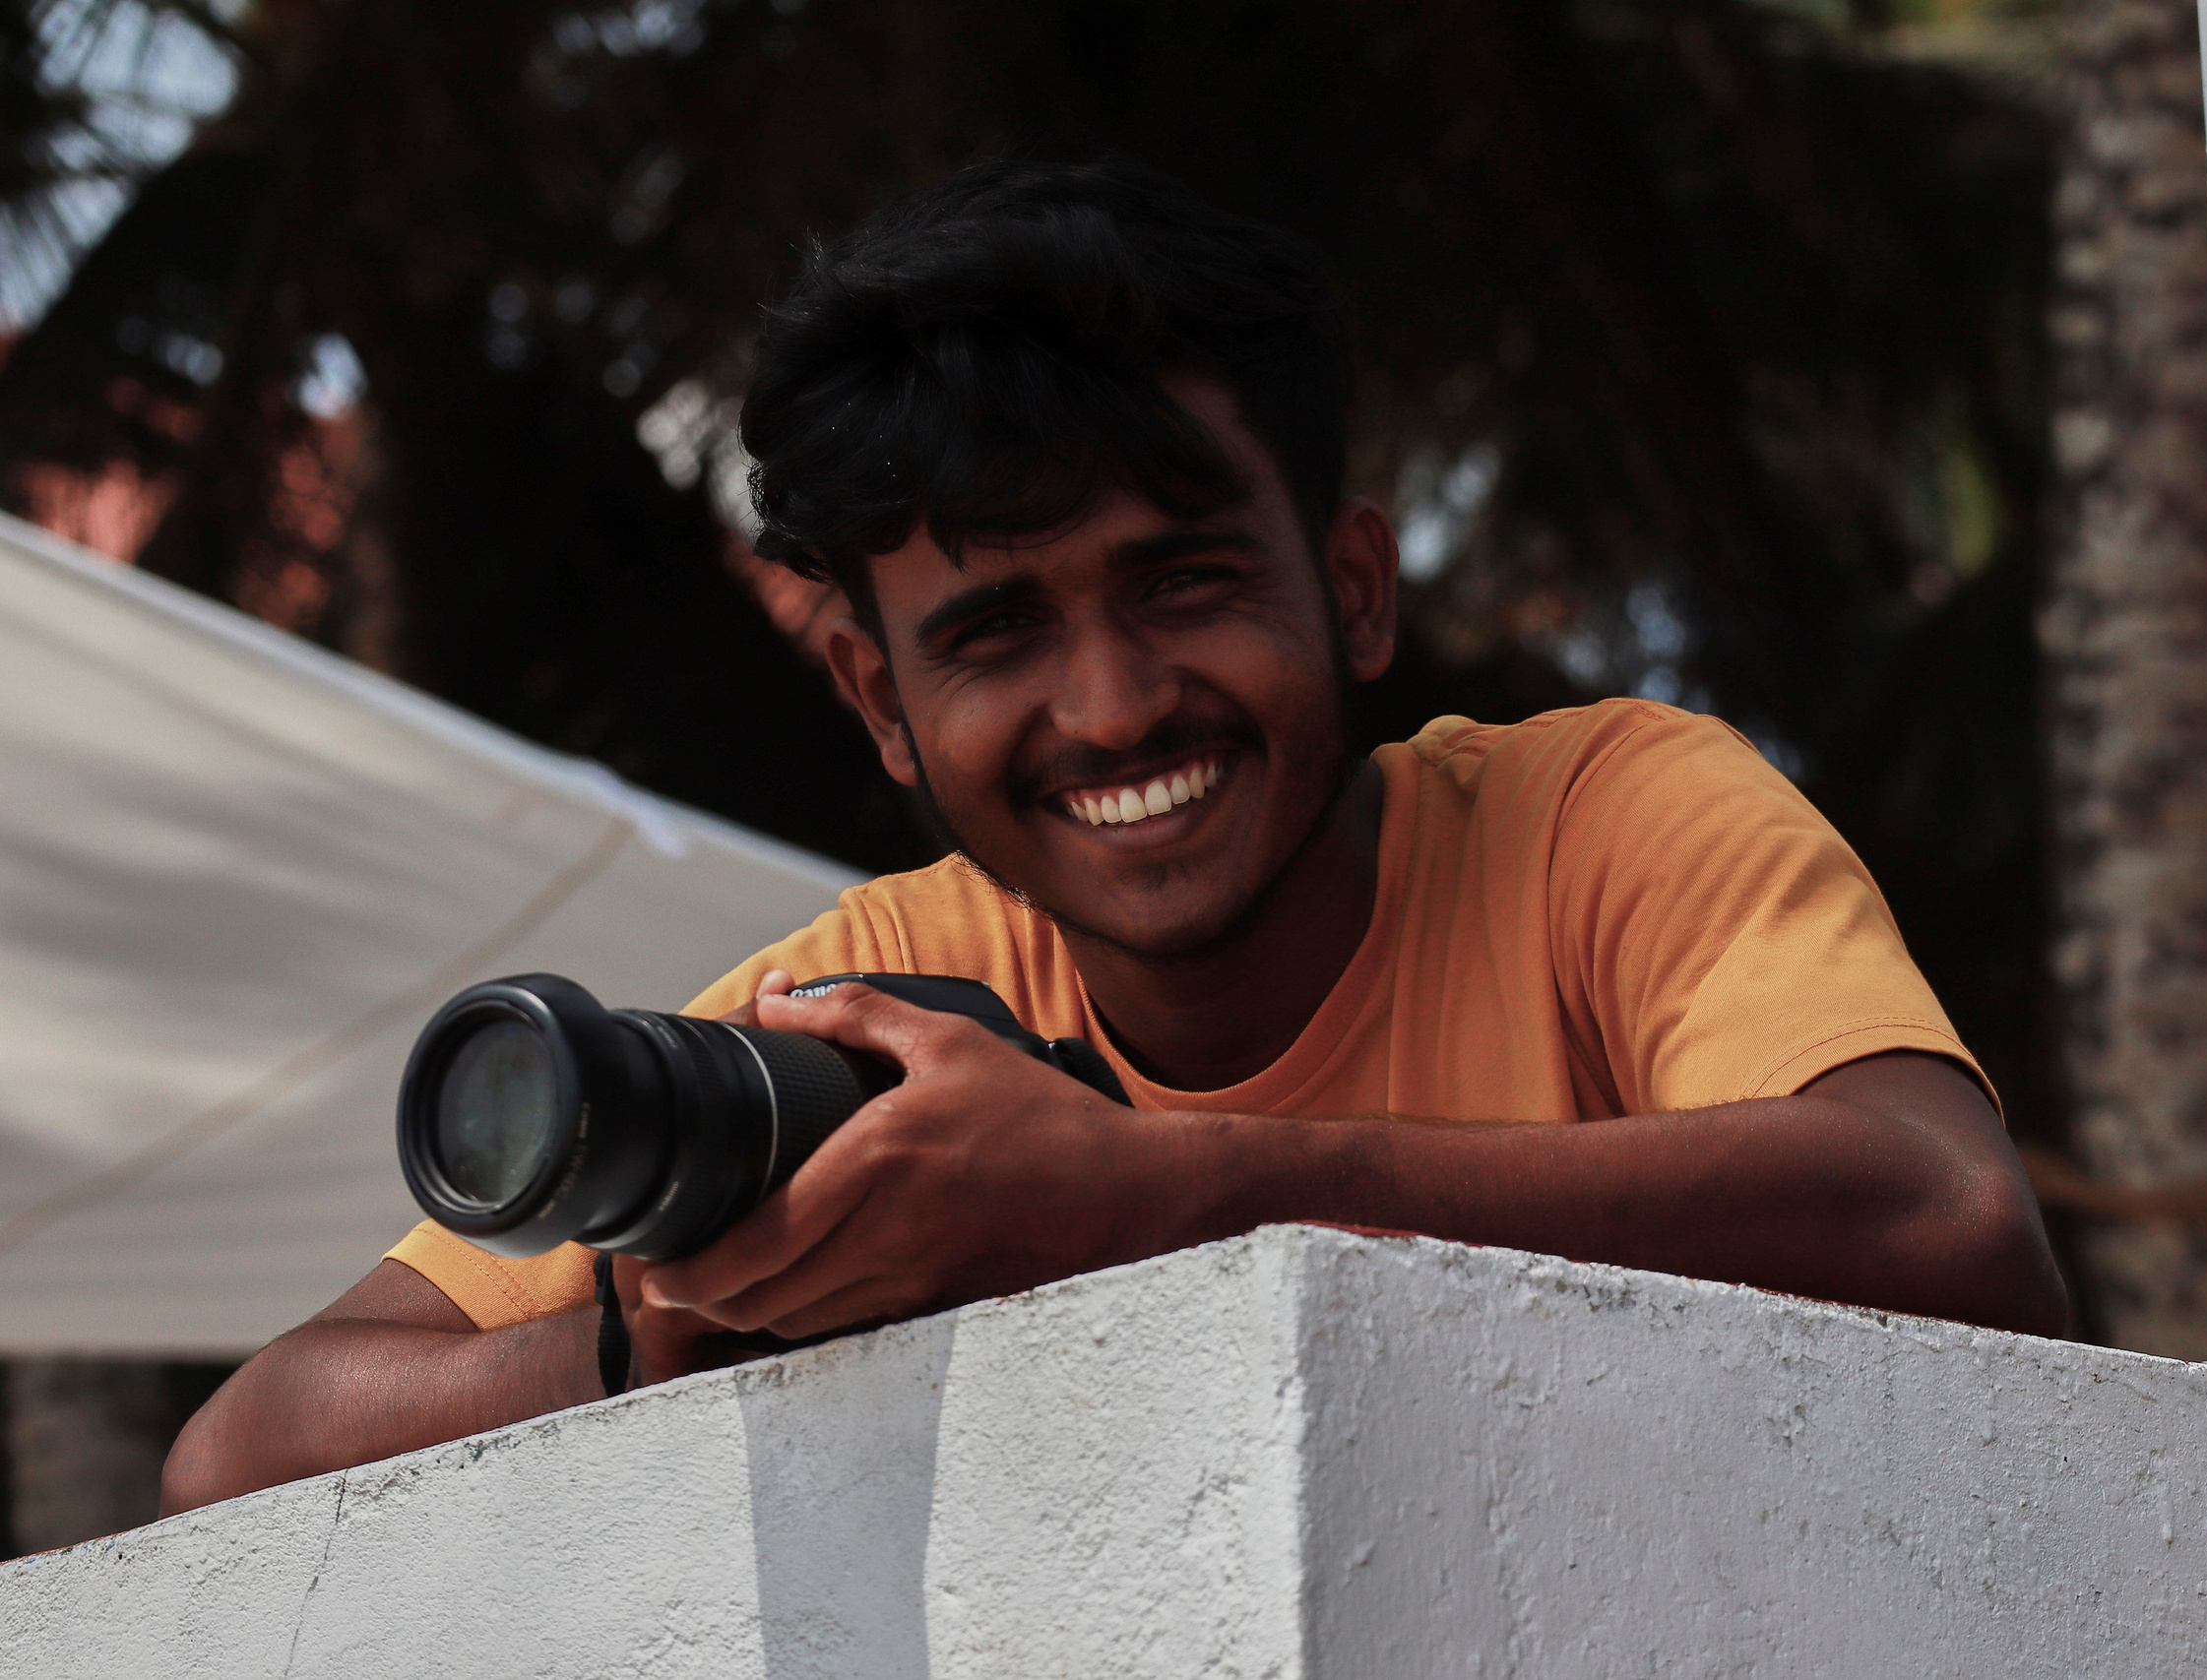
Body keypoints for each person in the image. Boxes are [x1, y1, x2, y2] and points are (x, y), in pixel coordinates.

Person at [160, 156, 2065, 1516]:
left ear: (1355, 586)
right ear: (878, 701)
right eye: (994, 633)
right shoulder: (862, 1004)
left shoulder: (1604, 815)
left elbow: (1953, 1224)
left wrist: (1154, 1197)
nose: (1115, 704)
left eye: (1185, 582)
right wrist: (657, 1343)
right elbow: (238, 1453)